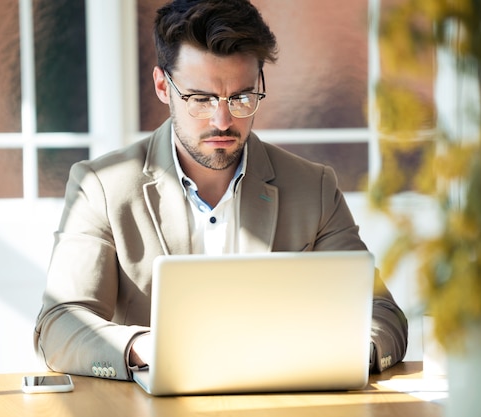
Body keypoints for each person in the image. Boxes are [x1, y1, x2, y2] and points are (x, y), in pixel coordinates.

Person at [34, 0, 408, 381]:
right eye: (201, 99)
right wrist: (142, 348)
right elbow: (59, 325)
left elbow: (383, 314)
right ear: (164, 86)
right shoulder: (101, 187)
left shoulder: (313, 188)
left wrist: (350, 352)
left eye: (241, 98)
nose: (223, 120)